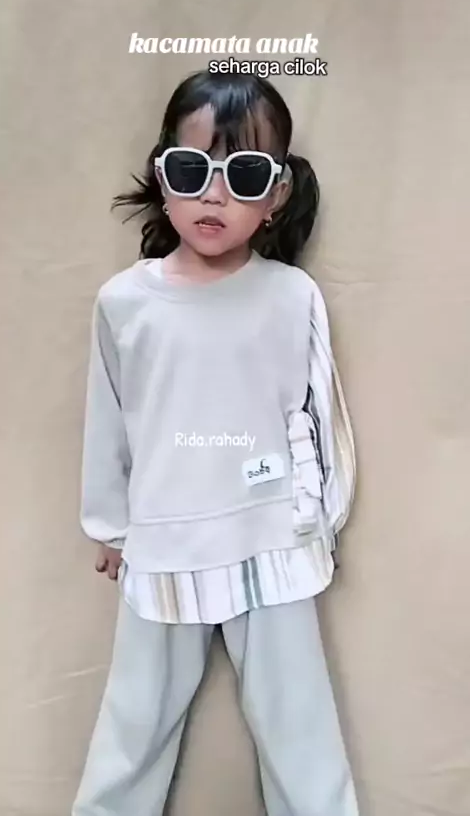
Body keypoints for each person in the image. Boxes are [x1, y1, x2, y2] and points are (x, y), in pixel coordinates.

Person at [72, 69, 359, 816]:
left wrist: (321, 519)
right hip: (164, 541)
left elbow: (320, 415)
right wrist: (111, 526)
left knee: (301, 735)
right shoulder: (125, 302)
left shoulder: (291, 295)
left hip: (272, 540)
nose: (214, 194)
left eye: (245, 175)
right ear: (163, 173)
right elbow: (108, 418)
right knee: (132, 733)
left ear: (277, 195)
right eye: (192, 169)